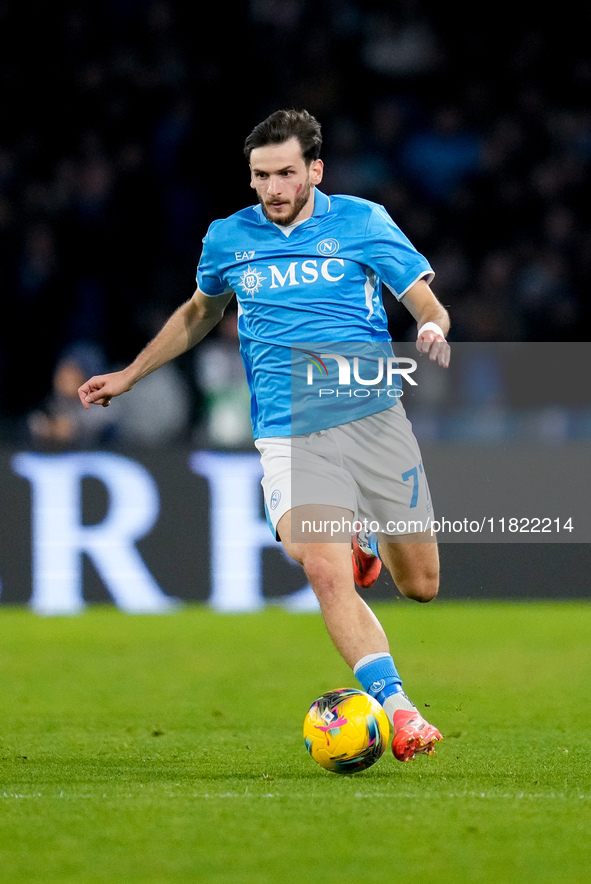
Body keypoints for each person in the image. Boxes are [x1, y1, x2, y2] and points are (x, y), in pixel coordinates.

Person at [78, 109, 451, 763]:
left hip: (371, 420)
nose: (273, 188)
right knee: (322, 571)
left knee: (419, 584)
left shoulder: (361, 221)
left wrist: (431, 326)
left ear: (314, 170)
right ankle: (401, 711)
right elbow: (199, 311)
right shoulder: (228, 238)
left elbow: (420, 295)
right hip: (289, 430)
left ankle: (364, 540)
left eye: (285, 173)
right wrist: (131, 373)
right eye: (260, 175)